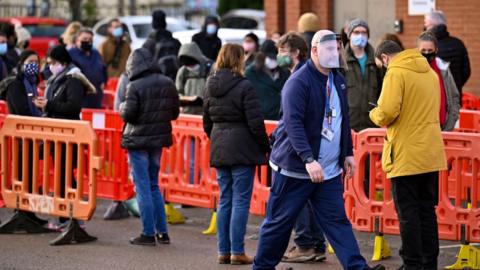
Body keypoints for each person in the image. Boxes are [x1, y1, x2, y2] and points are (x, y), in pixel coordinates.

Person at [252, 30, 385, 270]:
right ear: (314, 51)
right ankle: (262, 267)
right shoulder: (299, 81)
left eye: (336, 49)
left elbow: (341, 120)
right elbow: (293, 124)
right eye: (329, 49)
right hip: (295, 169)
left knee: (337, 221)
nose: (334, 54)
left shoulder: (338, 79)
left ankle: (357, 267)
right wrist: (308, 158)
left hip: (329, 170)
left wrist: (348, 152)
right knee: (280, 222)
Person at [371, 40, 447, 270]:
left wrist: (374, 112)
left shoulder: (395, 73)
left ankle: (412, 264)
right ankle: (429, 262)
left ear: (384, 58)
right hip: (430, 152)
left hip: (405, 153)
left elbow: (386, 113)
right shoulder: (430, 72)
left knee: (408, 213)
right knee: (426, 211)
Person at [203, 44, 270, 265]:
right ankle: (237, 251)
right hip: (242, 147)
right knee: (241, 201)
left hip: (220, 145)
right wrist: (265, 146)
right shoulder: (244, 86)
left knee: (225, 200)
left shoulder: (210, 85)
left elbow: (206, 122)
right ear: (238, 60)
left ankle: (223, 251)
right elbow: (255, 123)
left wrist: (217, 137)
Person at [275, 32, 328, 263]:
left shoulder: (299, 78)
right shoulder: (307, 75)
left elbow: (293, 120)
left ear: (296, 53)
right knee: (310, 199)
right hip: (309, 149)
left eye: (282, 51)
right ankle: (315, 244)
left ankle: (305, 244)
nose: (279, 56)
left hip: (300, 150)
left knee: (299, 201)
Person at [120, 48, 179, 246]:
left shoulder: (134, 86)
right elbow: (174, 113)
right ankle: (163, 232)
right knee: (154, 185)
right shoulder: (168, 82)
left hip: (138, 142)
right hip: (158, 142)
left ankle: (147, 233)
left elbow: (128, 115)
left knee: (142, 187)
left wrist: (121, 107)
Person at [33, 45, 96, 229]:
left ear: (63, 61)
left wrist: (48, 105)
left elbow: (73, 107)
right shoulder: (57, 79)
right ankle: (65, 216)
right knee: (62, 176)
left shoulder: (73, 79)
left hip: (68, 135)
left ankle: (73, 216)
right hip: (57, 135)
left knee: (67, 176)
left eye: (53, 62)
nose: (50, 66)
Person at [0, 50, 47, 226]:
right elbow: (20, 110)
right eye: (30, 61)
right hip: (21, 137)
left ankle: (28, 211)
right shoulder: (16, 84)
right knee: (22, 174)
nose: (34, 65)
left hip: (32, 136)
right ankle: (21, 211)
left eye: (36, 61)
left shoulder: (32, 82)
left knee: (30, 175)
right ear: (21, 63)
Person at [344, 19, 383, 132]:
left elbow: (382, 91)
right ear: (349, 35)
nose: (360, 35)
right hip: (349, 125)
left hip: (372, 125)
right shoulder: (341, 62)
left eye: (364, 32)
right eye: (356, 32)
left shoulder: (376, 62)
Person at [418, 31, 460, 131]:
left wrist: (451, 121)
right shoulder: (411, 70)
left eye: (430, 50)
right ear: (417, 50)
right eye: (423, 50)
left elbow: (454, 96)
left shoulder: (443, 69)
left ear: (436, 50)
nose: (427, 53)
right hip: (419, 129)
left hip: (442, 127)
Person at [425, 10, 470, 104]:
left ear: (433, 25)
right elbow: (466, 72)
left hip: (435, 100)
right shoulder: (458, 44)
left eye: (426, 25)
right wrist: (456, 85)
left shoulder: (428, 47)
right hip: (455, 98)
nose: (425, 28)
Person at [245, 39, 289, 121]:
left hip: (279, 118)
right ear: (261, 56)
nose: (272, 60)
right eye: (269, 57)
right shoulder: (251, 73)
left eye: (274, 57)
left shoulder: (284, 73)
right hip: (261, 119)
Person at [68, 28, 107, 108]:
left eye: (90, 39)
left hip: (96, 97)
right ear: (77, 39)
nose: (88, 41)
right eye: (85, 39)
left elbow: (103, 68)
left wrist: (103, 80)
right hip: (80, 98)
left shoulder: (95, 53)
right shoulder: (70, 53)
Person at [142, 9, 181, 81]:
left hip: (157, 80)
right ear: (165, 22)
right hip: (175, 79)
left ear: (153, 23)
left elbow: (144, 64)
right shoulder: (175, 41)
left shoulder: (149, 43)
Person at [176, 42, 211, 115]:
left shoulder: (208, 69)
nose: (190, 68)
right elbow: (178, 90)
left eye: (192, 65)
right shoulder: (183, 71)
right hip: (187, 112)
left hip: (204, 112)